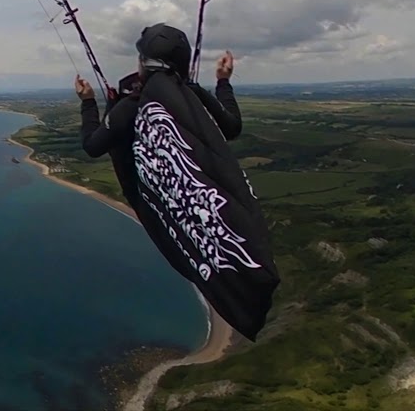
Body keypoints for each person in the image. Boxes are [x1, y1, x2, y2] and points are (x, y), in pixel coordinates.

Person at [76, 23, 278, 341]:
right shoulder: (193, 97)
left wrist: (89, 103)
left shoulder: (134, 104)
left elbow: (93, 145)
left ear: (143, 63)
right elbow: (232, 126)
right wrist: (222, 82)